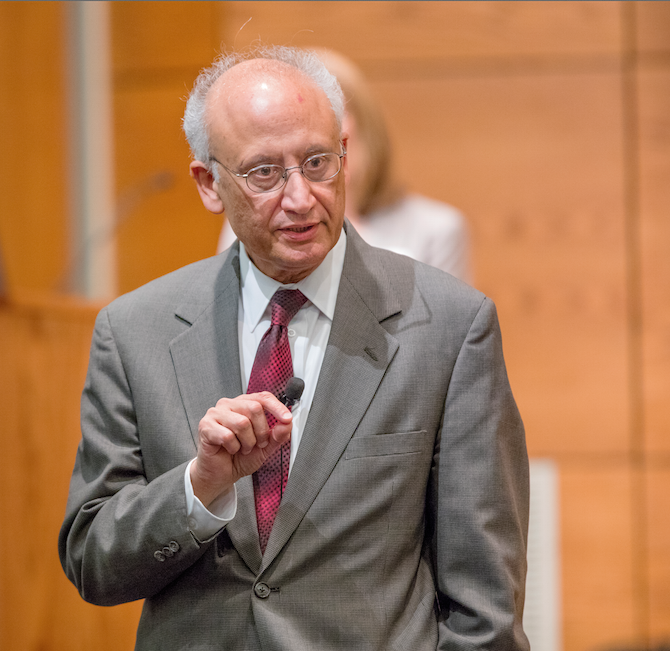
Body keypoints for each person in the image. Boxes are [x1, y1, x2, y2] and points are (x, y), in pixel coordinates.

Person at [60, 45, 529, 650]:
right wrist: (199, 489)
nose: (301, 197)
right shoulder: (135, 333)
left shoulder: (448, 328)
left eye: (316, 163)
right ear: (209, 184)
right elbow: (94, 562)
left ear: (345, 156)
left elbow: (484, 609)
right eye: (264, 173)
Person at [217, 48, 472, 283]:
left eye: (316, 158)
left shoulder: (438, 227)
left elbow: (446, 324)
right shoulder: (257, 218)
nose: (300, 200)